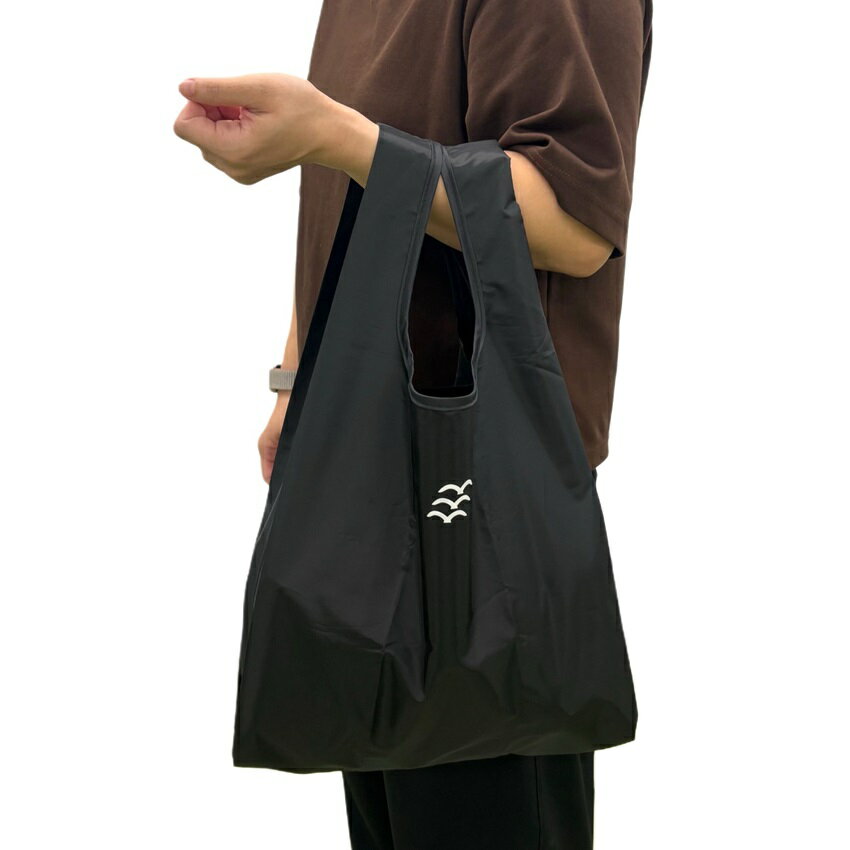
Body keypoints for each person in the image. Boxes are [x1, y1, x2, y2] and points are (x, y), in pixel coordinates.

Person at [174, 0, 652, 846]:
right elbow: (353, 201)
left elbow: (577, 220)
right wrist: (296, 375)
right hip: (368, 478)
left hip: (481, 505)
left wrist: (335, 136)